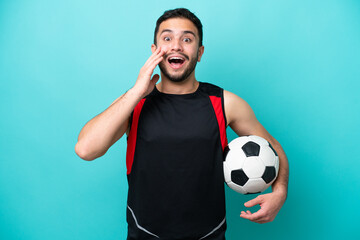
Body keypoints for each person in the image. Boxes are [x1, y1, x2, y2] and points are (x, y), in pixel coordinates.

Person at [75, 8, 289, 240]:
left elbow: (272, 146)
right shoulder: (134, 102)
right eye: (167, 38)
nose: (176, 46)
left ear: (200, 52)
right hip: (145, 235)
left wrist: (280, 192)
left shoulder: (226, 103)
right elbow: (86, 149)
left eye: (187, 39)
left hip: (209, 235)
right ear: (154, 51)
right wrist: (136, 91)